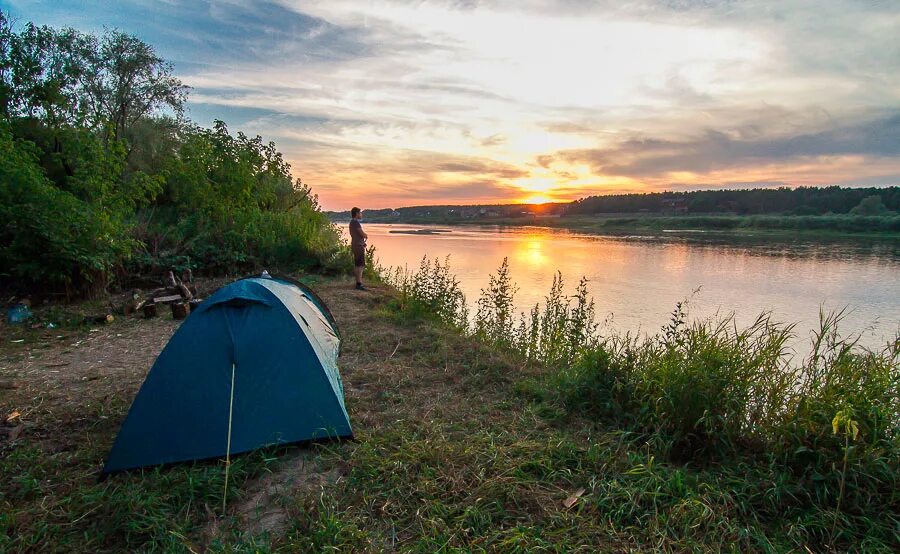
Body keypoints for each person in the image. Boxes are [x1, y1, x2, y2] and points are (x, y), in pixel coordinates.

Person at [349, 207, 368, 290]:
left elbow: (356, 235)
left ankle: (358, 283)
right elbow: (361, 233)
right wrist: (365, 235)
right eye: (360, 213)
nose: (361, 214)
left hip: (356, 245)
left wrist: (362, 242)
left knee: (357, 264)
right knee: (360, 265)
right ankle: (359, 284)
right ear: (356, 213)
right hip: (358, 246)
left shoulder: (352, 222)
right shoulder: (355, 222)